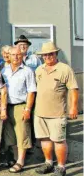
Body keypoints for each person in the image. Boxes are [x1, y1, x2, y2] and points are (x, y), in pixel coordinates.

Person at [34, 42, 79, 176]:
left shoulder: (65, 69)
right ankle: (48, 163)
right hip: (40, 113)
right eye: (45, 54)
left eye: (50, 54)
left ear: (56, 54)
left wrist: (73, 108)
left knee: (59, 140)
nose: (47, 56)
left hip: (57, 113)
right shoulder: (39, 70)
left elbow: (73, 89)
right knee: (44, 140)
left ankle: (61, 166)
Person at [1, 46, 36, 173]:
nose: (16, 57)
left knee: (22, 134)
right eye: (13, 55)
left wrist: (27, 109)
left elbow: (31, 91)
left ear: (22, 55)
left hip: (21, 105)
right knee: (11, 136)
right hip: (7, 106)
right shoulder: (4, 70)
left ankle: (21, 161)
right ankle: (16, 159)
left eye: (18, 54)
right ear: (8, 56)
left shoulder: (27, 71)